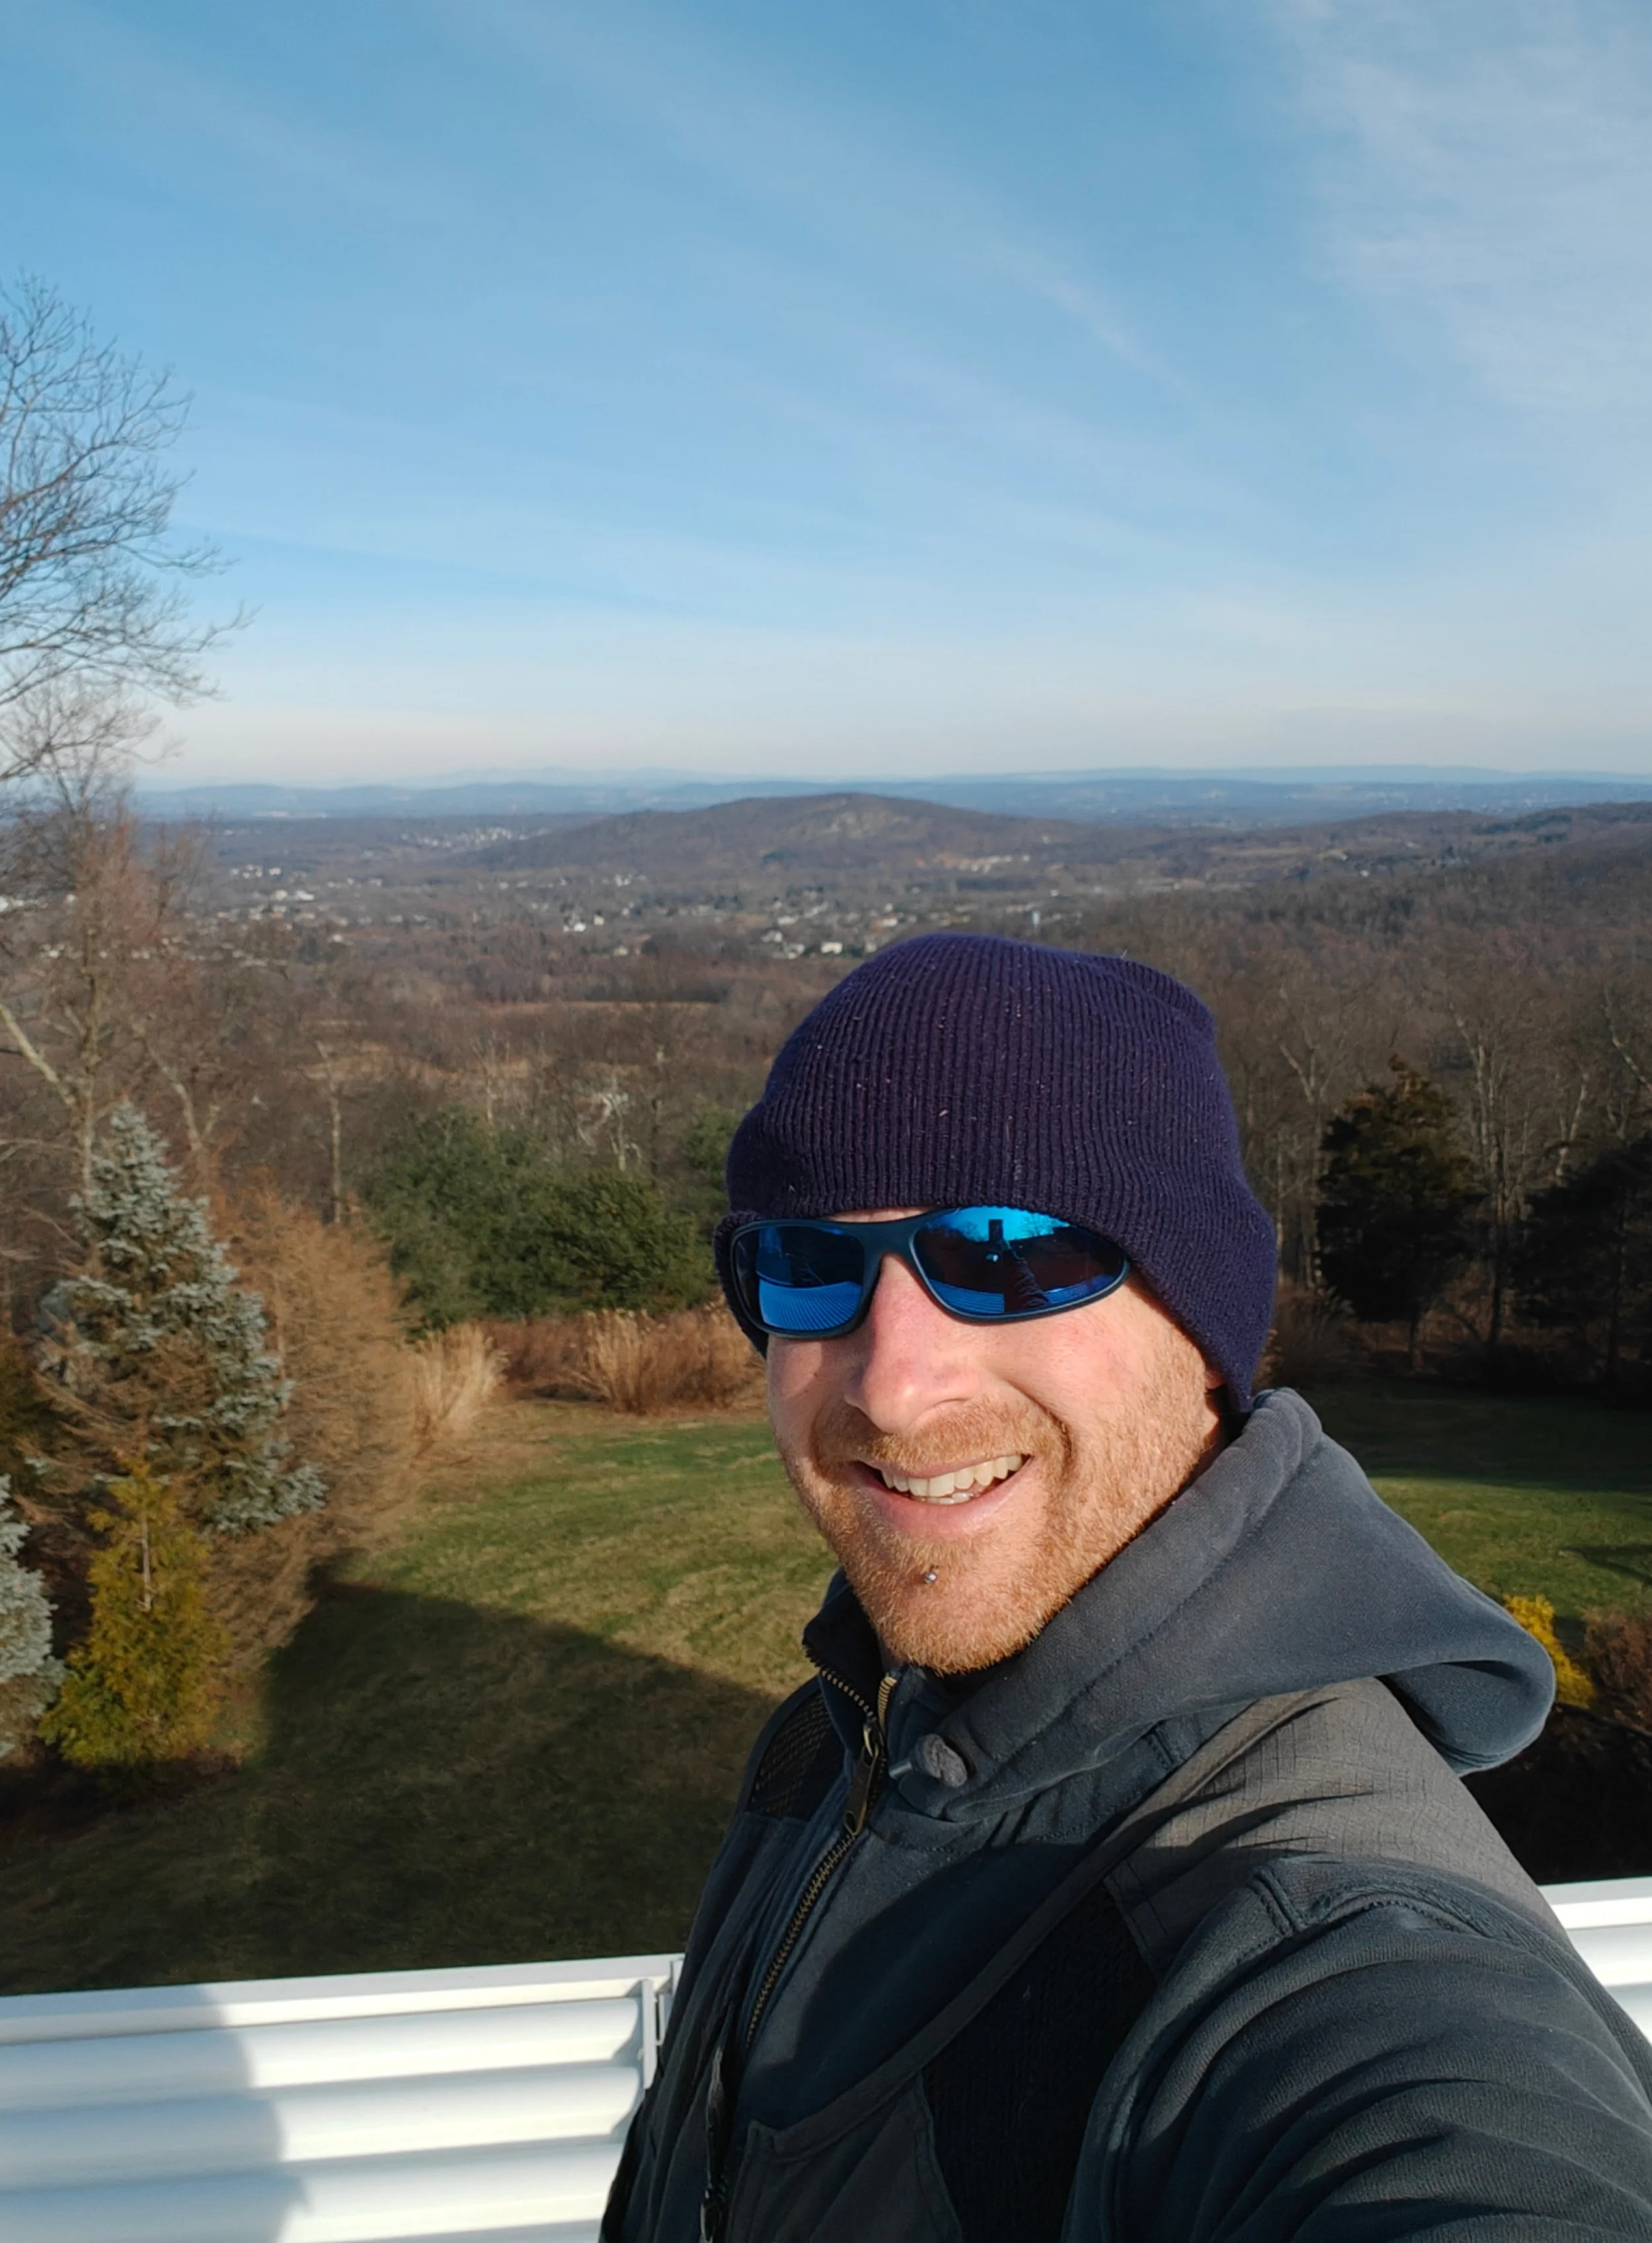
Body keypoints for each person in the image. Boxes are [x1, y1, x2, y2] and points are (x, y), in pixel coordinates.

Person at [603, 933, 1652, 2243]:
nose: (888, 1380)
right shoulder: (852, 1729)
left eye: (1004, 1253)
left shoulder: (1328, 1931)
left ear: (1205, 1333)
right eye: (808, 1262)